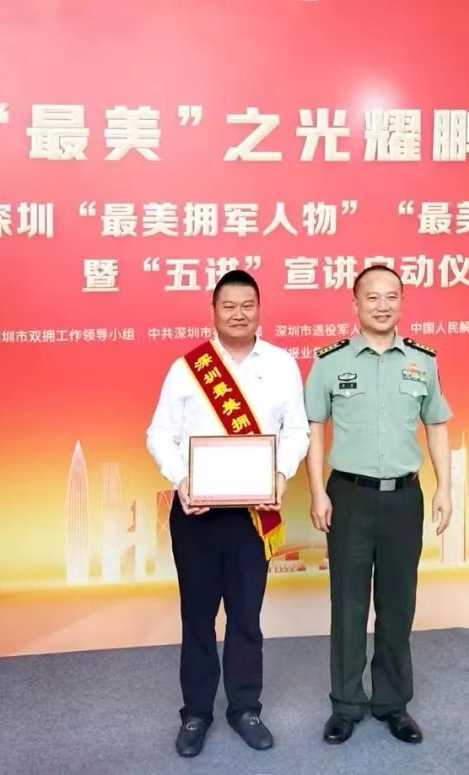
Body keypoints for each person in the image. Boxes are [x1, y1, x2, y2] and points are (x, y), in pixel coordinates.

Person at [147, 269, 310, 758]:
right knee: (197, 617)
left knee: (245, 617)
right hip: (196, 514)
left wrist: (280, 474)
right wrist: (181, 479)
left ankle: (245, 708)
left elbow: (297, 431)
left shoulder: (281, 364)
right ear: (213, 311)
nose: (238, 314)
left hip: (253, 516)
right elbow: (159, 433)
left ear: (259, 309)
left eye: (247, 305)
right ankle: (196, 712)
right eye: (228, 306)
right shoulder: (188, 368)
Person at [303, 264, 452, 746]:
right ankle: (346, 705)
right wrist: (317, 491)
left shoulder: (423, 361)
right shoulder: (329, 362)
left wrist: (445, 488)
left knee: (397, 604)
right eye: (372, 297)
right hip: (348, 496)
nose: (382, 305)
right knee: (347, 605)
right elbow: (314, 428)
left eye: (391, 296)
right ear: (355, 303)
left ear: (401, 302)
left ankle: (393, 703)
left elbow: (437, 425)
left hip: (405, 498)